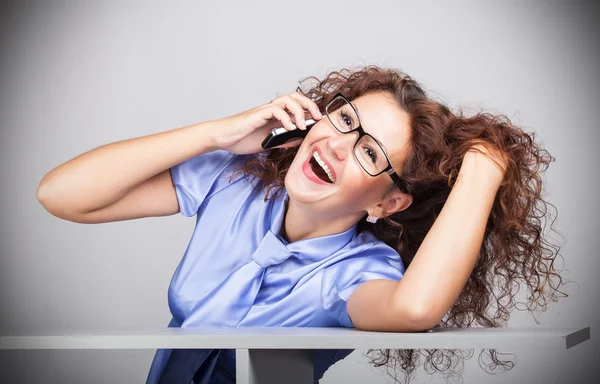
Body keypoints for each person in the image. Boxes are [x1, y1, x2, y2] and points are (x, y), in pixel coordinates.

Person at [36, 65, 567, 383]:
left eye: (369, 151)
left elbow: (415, 309)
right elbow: (62, 196)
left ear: (389, 203)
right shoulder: (237, 183)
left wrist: (487, 164)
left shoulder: (359, 270)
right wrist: (216, 134)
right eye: (344, 120)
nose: (336, 144)